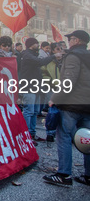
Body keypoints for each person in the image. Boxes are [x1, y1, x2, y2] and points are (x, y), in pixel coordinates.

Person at [44, 30, 90, 186]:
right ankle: (89, 175)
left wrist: (54, 99)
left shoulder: (73, 56)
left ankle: (64, 174)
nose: (69, 42)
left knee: (64, 137)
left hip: (72, 105)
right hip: (87, 106)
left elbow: (68, 82)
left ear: (76, 40)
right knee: (86, 140)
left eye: (70, 39)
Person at [20, 37, 61, 143]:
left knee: (34, 112)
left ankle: (32, 134)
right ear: (30, 45)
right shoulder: (27, 55)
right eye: (36, 43)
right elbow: (39, 62)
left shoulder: (33, 54)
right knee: (29, 111)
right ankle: (26, 135)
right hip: (28, 87)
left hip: (36, 87)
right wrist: (53, 56)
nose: (38, 45)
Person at [41, 42, 63, 141]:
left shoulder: (66, 60)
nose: (60, 51)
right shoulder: (48, 61)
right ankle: (50, 133)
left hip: (63, 88)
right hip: (52, 87)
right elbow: (43, 74)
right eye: (58, 49)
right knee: (52, 111)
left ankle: (62, 133)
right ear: (53, 51)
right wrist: (52, 82)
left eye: (61, 49)